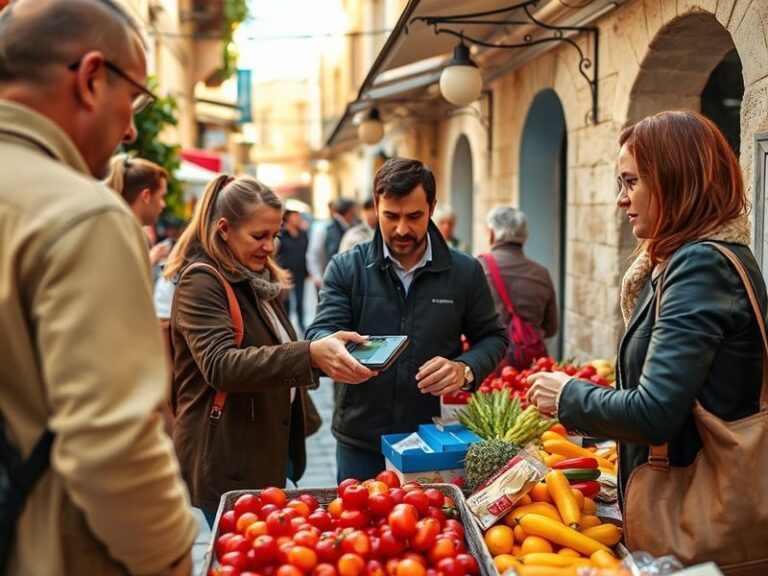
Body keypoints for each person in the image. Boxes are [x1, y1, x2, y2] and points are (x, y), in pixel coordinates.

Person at [0, 1, 197, 574]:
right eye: (133, 99)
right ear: (90, 79)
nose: (132, 128)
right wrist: (171, 559)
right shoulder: (82, 216)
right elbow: (114, 449)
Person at [527, 110, 765, 507]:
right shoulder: (688, 260)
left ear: (675, 181)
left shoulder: (700, 265)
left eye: (631, 182)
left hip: (697, 506)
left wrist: (569, 394)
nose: (621, 199)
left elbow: (655, 411)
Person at [162, 175, 375, 526]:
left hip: (268, 449)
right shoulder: (201, 282)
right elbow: (220, 365)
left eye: (274, 235)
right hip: (230, 458)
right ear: (224, 229)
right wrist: (309, 354)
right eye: (260, 236)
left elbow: (275, 352)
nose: (271, 246)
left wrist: (330, 355)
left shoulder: (252, 279)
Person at [306, 157, 508, 482]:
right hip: (361, 442)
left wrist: (464, 369)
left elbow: (493, 337)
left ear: (432, 207)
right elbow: (322, 330)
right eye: (391, 216)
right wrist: (325, 348)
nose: (402, 229)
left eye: (414, 216)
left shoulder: (465, 271)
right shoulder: (346, 268)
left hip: (435, 441)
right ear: (375, 206)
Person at [480, 207, 558, 345]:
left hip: (487, 359)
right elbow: (551, 329)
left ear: (492, 234)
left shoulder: (478, 267)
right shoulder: (542, 273)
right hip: (530, 362)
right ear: (524, 237)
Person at [104, 153, 170, 267]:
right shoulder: (124, 240)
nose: (163, 204)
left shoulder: (113, 232)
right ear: (146, 196)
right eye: (161, 197)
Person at [306, 197, 356, 290]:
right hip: (329, 279)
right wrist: (317, 276)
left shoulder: (350, 227)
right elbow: (313, 254)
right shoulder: (325, 228)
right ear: (349, 212)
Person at [277, 209, 310, 332]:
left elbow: (306, 253)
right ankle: (287, 326)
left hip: (300, 271)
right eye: (295, 216)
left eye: (298, 216)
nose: (298, 219)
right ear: (288, 218)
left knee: (300, 299)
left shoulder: (302, 234)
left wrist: (308, 271)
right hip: (285, 274)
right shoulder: (280, 234)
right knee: (286, 302)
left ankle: (301, 324)